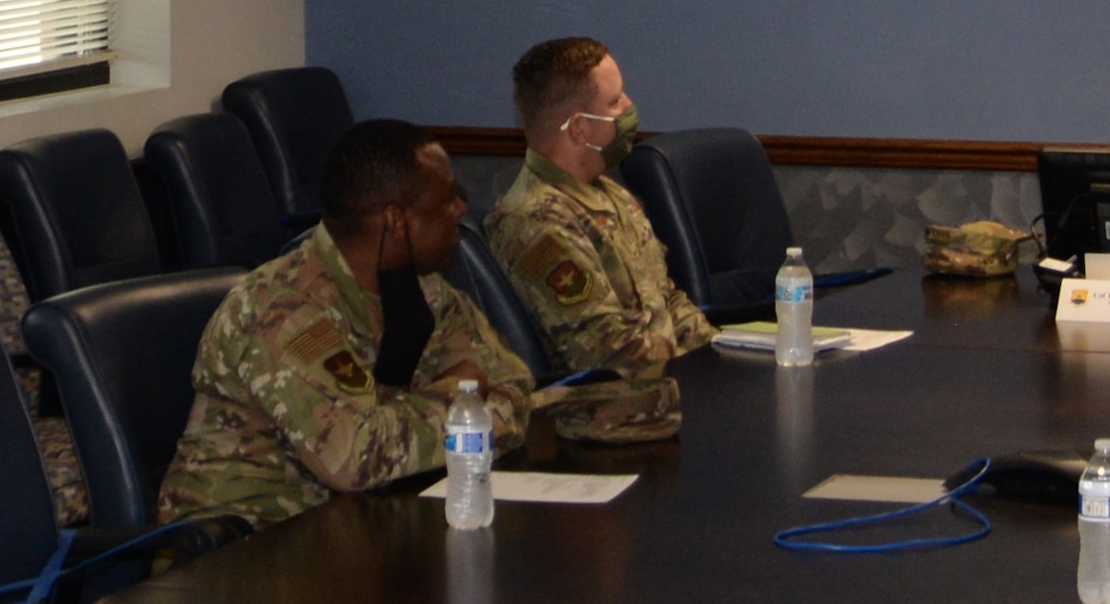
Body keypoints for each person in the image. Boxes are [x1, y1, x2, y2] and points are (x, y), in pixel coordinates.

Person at [158, 120, 533, 526]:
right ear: (396, 220)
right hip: (241, 547)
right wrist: (457, 398)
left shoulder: (425, 291)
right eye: (445, 201)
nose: (461, 210)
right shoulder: (282, 308)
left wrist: (409, 423)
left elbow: (515, 385)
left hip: (349, 527)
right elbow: (355, 457)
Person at [484, 38, 713, 436]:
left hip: (674, 392)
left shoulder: (608, 193)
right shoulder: (535, 222)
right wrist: (701, 376)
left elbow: (667, 299)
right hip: (618, 420)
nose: (628, 108)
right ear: (579, 127)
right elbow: (606, 347)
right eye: (614, 102)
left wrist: (719, 357)